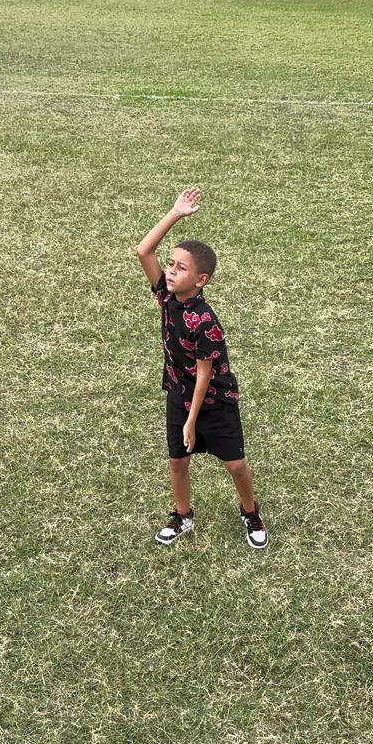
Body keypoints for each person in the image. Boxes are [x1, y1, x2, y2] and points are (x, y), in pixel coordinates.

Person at [136, 188, 269, 548]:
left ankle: (250, 511)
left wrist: (192, 420)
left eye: (181, 268)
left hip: (214, 400)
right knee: (178, 462)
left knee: (235, 465)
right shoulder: (166, 296)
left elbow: (205, 375)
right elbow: (143, 250)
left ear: (201, 280)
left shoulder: (205, 320)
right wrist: (175, 213)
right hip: (180, 395)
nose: (170, 270)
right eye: (171, 264)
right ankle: (183, 515)